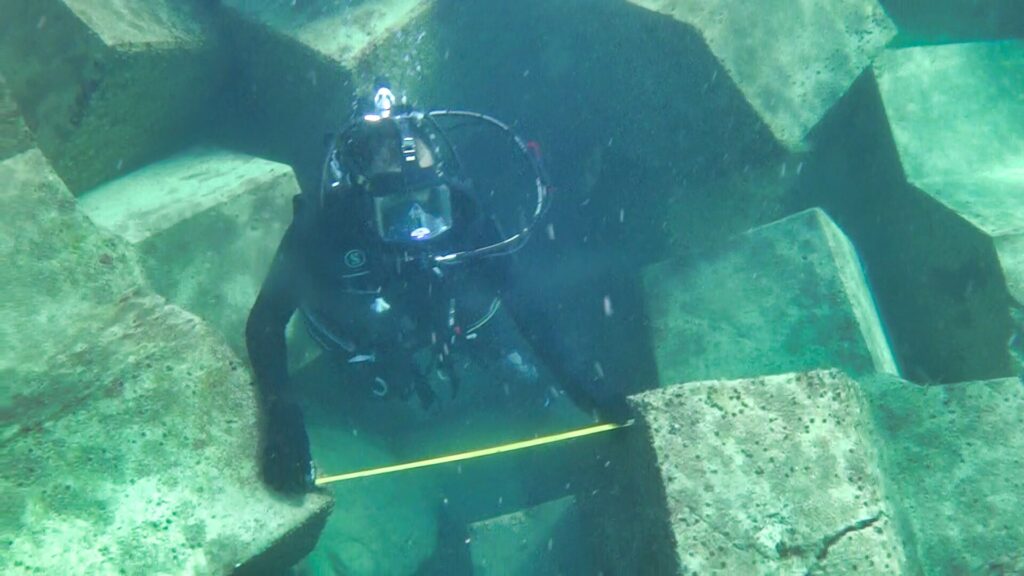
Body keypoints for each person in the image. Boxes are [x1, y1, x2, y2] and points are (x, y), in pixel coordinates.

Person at [246, 84, 626, 493]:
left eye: (430, 203)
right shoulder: (326, 228)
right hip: (360, 332)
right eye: (397, 212)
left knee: (521, 372)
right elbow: (266, 321)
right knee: (375, 394)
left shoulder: (463, 209)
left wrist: (585, 386)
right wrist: (283, 414)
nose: (418, 223)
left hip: (446, 314)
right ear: (363, 199)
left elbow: (524, 303)